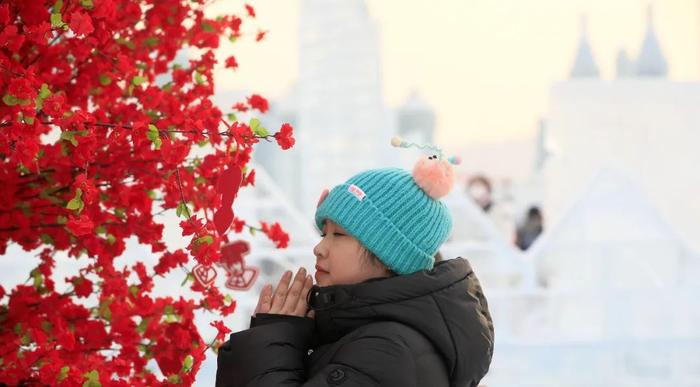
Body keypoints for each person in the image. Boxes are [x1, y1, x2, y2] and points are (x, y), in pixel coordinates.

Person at [216, 144, 494, 386]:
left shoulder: (386, 349)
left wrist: (273, 338)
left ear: (388, 254)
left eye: (338, 235)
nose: (319, 247)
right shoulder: (364, 331)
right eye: (324, 234)